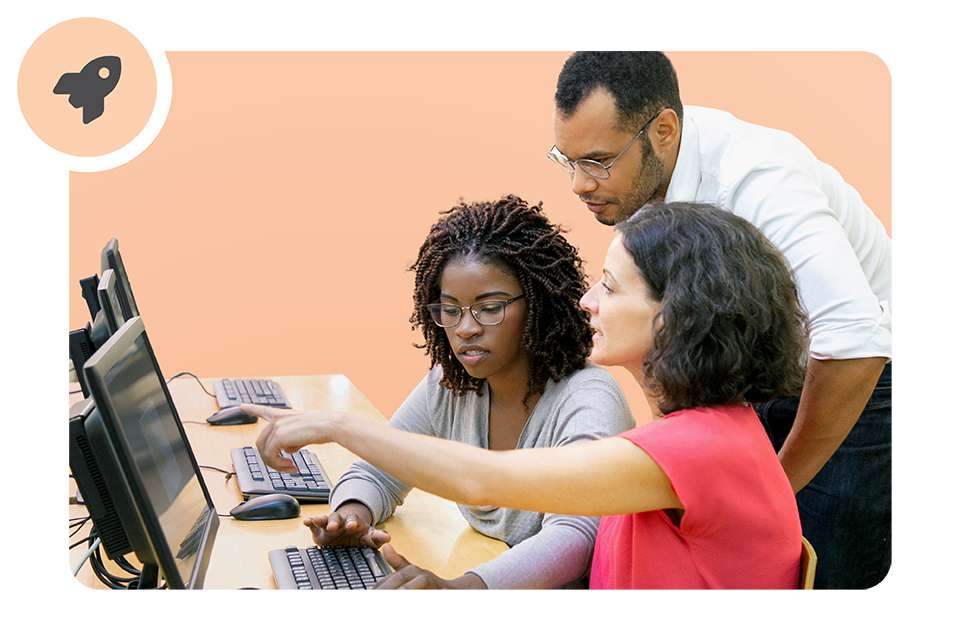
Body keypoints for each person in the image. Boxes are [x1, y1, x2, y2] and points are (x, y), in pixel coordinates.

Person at [247, 201, 809, 589]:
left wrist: (341, 426)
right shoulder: (706, 431)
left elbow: (485, 479)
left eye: (610, 288)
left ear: (676, 314)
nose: (587, 301)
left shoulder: (699, 447)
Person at [545, 50, 895, 589]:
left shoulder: (756, 180)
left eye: (596, 161)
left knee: (826, 566)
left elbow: (855, 339)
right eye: (566, 160)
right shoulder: (645, 168)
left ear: (663, 130)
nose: (578, 185)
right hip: (760, 359)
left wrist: (770, 490)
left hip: (852, 370)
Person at [247, 194, 634, 589]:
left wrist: (462, 587)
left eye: (489, 307)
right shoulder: (453, 384)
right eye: (450, 309)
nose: (466, 328)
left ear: (539, 306)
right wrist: (350, 516)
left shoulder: (588, 397)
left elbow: (576, 534)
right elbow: (380, 469)